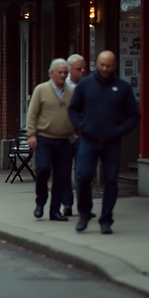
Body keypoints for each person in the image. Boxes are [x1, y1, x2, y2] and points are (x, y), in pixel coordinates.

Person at [67, 50, 139, 234]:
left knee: (110, 181)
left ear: (114, 66)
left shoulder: (122, 87)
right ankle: (84, 212)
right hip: (88, 141)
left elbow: (134, 114)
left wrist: (121, 130)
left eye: (109, 65)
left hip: (112, 142)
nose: (105, 69)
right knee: (83, 176)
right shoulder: (85, 84)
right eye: (102, 65)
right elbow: (73, 109)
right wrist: (81, 125)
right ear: (97, 65)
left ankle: (106, 219)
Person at [25, 59, 75, 222]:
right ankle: (40, 202)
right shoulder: (41, 90)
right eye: (59, 72)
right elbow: (32, 114)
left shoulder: (71, 92)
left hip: (64, 140)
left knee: (61, 176)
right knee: (43, 170)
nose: (63, 75)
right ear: (51, 73)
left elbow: (76, 113)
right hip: (44, 139)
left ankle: (55, 211)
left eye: (65, 73)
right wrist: (31, 134)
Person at [60, 54, 89, 216]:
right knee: (64, 171)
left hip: (83, 136)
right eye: (79, 69)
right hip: (65, 135)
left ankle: (83, 204)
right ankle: (67, 204)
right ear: (70, 70)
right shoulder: (61, 86)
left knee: (83, 172)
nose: (83, 72)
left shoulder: (88, 85)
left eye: (84, 68)